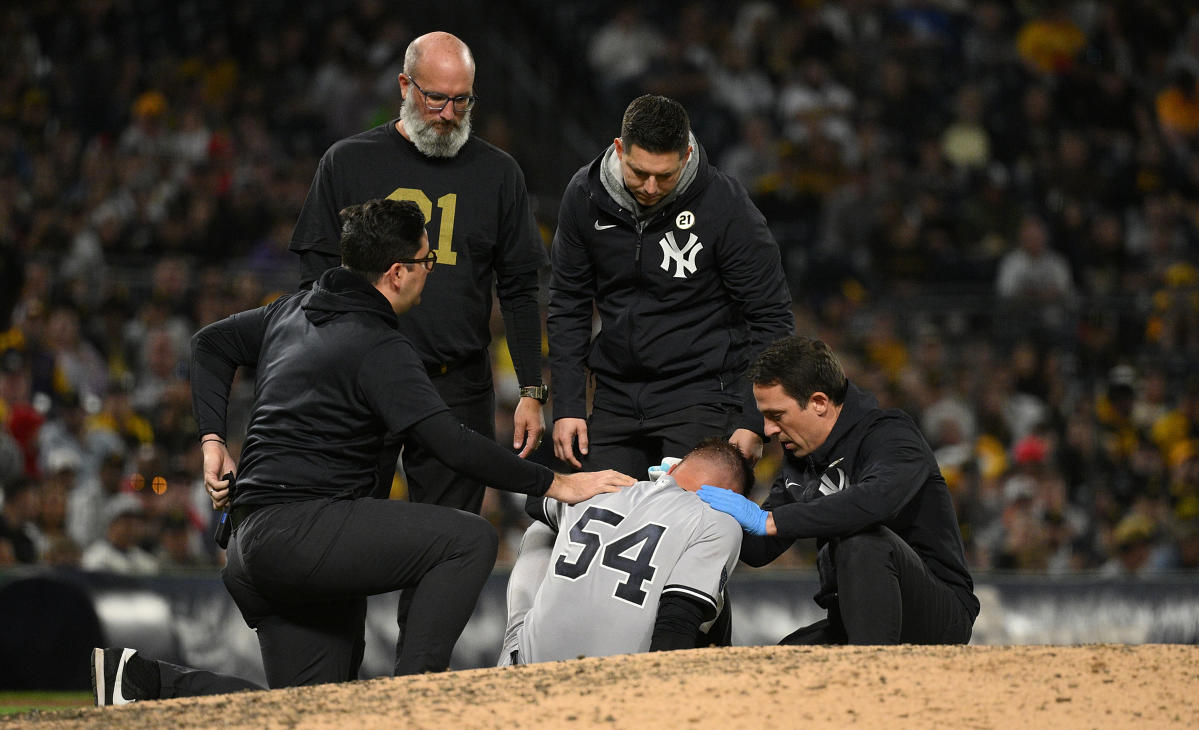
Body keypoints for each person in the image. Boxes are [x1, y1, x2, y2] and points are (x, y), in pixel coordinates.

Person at [93, 198, 633, 699]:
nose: (430, 271)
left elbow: (209, 343)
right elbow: (450, 443)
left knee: (315, 710)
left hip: (250, 544)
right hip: (302, 531)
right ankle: (408, 701)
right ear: (396, 272)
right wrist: (558, 482)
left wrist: (213, 440)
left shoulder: (291, 311)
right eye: (426, 260)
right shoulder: (377, 343)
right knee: (467, 539)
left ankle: (145, 682)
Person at [288, 30, 552, 673]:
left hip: (456, 382)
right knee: (342, 538)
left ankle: (418, 687)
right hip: (360, 386)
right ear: (404, 87)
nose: (448, 114)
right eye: (436, 98)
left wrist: (533, 390)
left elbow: (520, 289)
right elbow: (312, 283)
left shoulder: (498, 172)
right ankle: (333, 682)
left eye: (462, 102)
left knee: (447, 547)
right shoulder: (347, 161)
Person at [548, 94, 793, 480]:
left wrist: (753, 419)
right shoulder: (584, 195)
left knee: (688, 526)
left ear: (687, 153)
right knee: (588, 513)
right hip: (616, 396)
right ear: (619, 149)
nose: (649, 187)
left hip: (703, 395)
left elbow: (772, 318)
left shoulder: (725, 206)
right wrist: (567, 406)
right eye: (639, 172)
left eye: (665, 175)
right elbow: (568, 305)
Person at [697, 336, 979, 645]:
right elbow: (759, 550)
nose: (768, 431)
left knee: (862, 539)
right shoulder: (802, 458)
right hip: (854, 618)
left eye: (777, 415)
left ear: (818, 402)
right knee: (777, 663)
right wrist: (702, 494)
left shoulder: (890, 434)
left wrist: (770, 520)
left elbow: (876, 501)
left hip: (937, 616)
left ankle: (874, 682)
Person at [498, 438, 750, 665]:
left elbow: (534, 503)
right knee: (711, 593)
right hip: (617, 687)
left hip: (529, 671)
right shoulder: (719, 520)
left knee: (541, 528)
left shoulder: (604, 484)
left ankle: (508, 663)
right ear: (734, 500)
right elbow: (678, 623)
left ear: (670, 469)